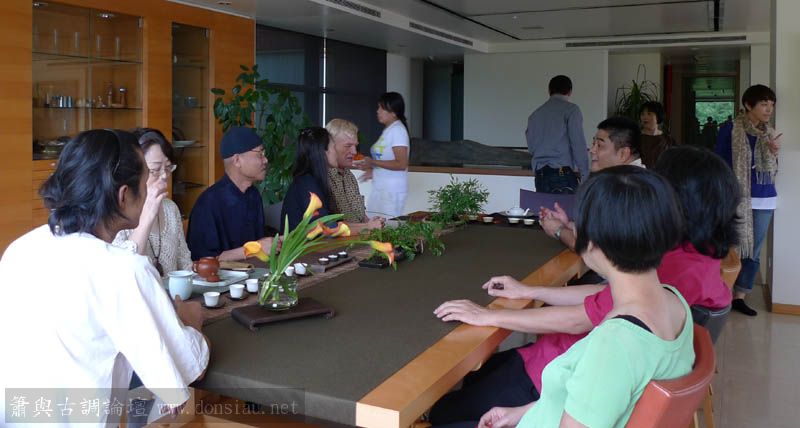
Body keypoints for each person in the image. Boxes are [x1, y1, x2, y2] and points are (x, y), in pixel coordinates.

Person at [429, 146, 737, 427]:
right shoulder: (672, 300)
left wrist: (489, 314)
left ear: (594, 242)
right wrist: (525, 412)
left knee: (443, 413)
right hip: (542, 410)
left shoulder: (613, 345)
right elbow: (586, 400)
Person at [0, 129, 209, 426]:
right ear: (123, 196)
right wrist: (191, 323)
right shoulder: (124, 270)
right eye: (144, 183)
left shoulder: (20, 249)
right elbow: (186, 372)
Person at [715, 84, 781, 316]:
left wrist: (773, 152)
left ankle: (740, 297)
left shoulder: (770, 133)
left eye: (771, 105)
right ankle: (721, 293)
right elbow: (719, 162)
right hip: (737, 196)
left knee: (753, 251)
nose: (769, 109)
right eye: (764, 104)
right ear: (748, 105)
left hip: (764, 198)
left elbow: (772, 169)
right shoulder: (730, 129)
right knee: (731, 247)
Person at [539, 116, 643, 250]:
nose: (592, 150)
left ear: (623, 154)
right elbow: (602, 232)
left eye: (599, 145)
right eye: (593, 144)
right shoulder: (638, 179)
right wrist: (568, 225)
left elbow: (594, 248)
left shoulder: (627, 188)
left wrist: (558, 230)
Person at [187, 126, 276, 261]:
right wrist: (254, 249)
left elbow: (259, 244)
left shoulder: (253, 195)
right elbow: (203, 260)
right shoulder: (208, 203)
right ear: (237, 160)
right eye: (260, 154)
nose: (265, 160)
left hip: (254, 271)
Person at [113, 128, 192, 275]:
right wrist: (148, 214)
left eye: (168, 168)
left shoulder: (170, 208)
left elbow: (185, 265)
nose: (164, 176)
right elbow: (124, 272)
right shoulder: (118, 213)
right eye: (155, 170)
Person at [525, 75, 589, 194]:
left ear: (549, 91)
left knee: (544, 206)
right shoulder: (571, 110)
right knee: (568, 207)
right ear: (570, 92)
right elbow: (578, 144)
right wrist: (585, 175)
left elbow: (532, 148)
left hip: (540, 175)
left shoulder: (535, 115)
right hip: (562, 174)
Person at [354, 92, 410, 218]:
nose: (378, 111)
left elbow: (401, 164)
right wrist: (373, 171)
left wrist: (373, 162)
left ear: (393, 112)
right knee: (372, 223)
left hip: (391, 191)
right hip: (382, 188)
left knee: (384, 225)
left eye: (382, 108)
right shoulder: (389, 130)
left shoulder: (398, 130)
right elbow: (387, 161)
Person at [325, 118, 385, 231]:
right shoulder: (322, 178)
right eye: (348, 146)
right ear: (330, 146)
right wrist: (367, 227)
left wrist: (372, 222)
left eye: (355, 146)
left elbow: (360, 217)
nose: (354, 152)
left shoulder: (349, 176)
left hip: (359, 237)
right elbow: (329, 226)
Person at [281, 127, 337, 231]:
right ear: (323, 151)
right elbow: (326, 228)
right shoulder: (307, 184)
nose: (336, 151)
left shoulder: (310, 180)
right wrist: (365, 227)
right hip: (303, 242)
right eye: (334, 147)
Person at [639, 101, 678, 168]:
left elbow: (675, 160)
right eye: (642, 114)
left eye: (649, 114)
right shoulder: (635, 137)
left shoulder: (668, 139)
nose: (645, 117)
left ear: (658, 116)